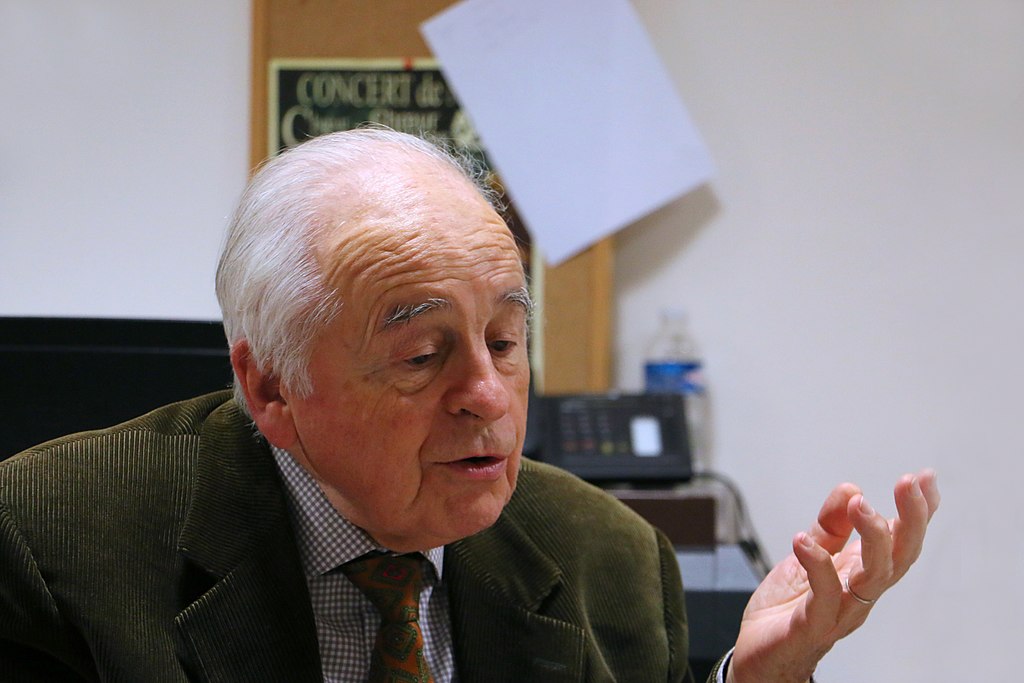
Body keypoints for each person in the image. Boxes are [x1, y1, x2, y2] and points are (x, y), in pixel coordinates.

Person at [0, 127, 939, 682]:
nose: (486, 396)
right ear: (271, 386)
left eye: (504, 341)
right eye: (421, 353)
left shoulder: (609, 564)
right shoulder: (53, 542)